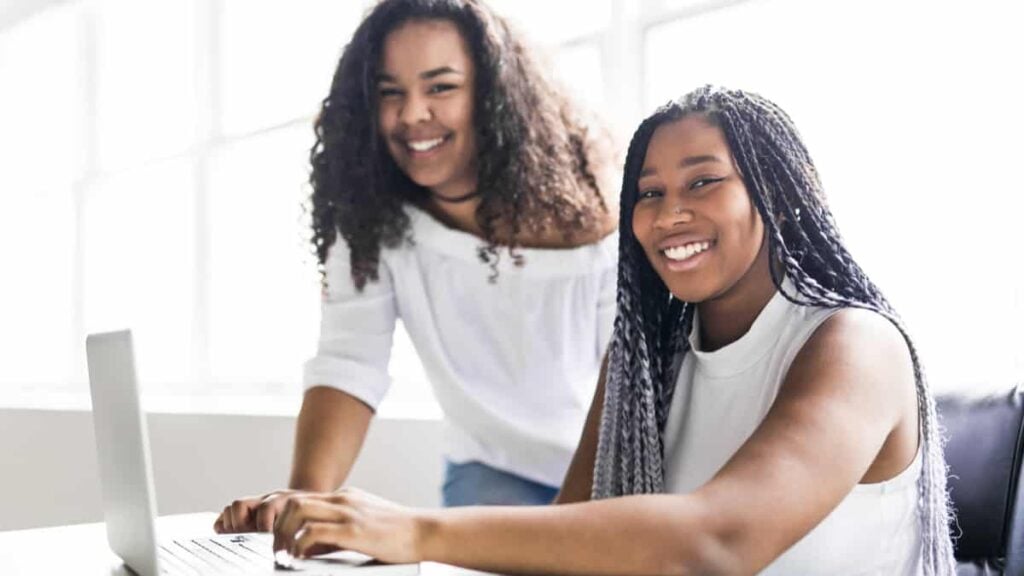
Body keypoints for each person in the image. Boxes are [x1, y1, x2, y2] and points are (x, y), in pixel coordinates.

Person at [263, 86, 957, 575]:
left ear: (777, 196)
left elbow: (720, 543)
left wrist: (411, 529)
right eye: (649, 193)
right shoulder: (643, 358)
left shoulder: (854, 345)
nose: (668, 214)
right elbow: (562, 546)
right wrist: (336, 538)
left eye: (703, 182)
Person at [213, 0, 618, 532]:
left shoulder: (596, 211)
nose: (411, 115)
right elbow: (349, 360)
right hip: (489, 467)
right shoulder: (370, 219)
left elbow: (626, 385)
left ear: (493, 95)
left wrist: (563, 530)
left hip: (614, 463)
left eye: (441, 87)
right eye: (390, 93)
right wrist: (303, 503)